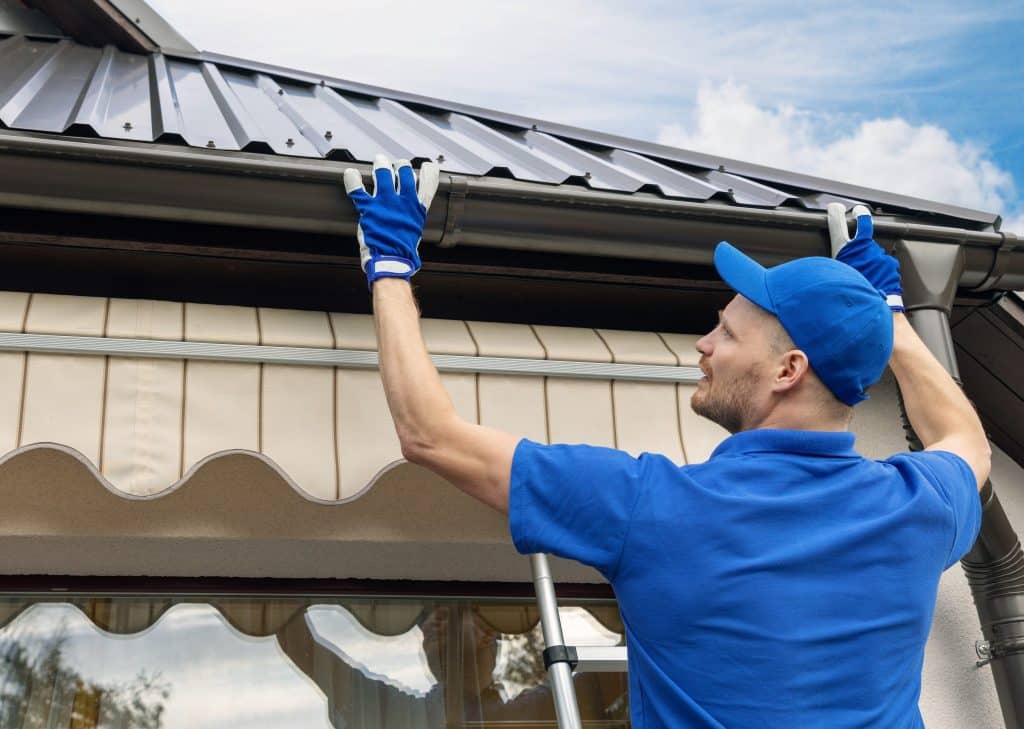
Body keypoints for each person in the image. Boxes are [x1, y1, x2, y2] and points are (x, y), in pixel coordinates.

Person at [342, 154, 989, 728]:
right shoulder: (917, 507)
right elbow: (968, 441)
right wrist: (890, 316)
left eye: (727, 334)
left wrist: (391, 265)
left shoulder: (654, 508)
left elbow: (430, 434)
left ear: (788, 370)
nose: (704, 346)